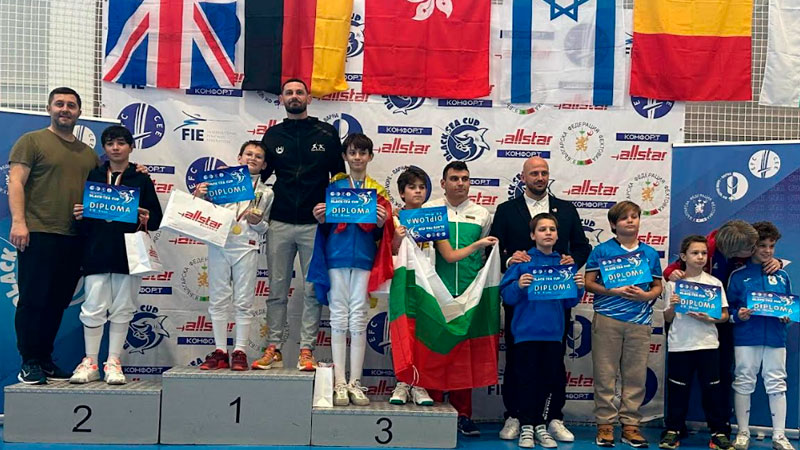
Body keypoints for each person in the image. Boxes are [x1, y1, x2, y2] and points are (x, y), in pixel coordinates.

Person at [491, 156, 591, 442]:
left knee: (554, 365)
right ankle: (516, 415)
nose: (539, 177)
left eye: (544, 172)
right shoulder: (506, 210)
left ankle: (553, 417)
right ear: (523, 177)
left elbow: (582, 246)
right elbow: (494, 248)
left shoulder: (567, 209)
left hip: (555, 302)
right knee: (518, 362)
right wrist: (510, 261)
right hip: (523, 306)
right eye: (533, 173)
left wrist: (571, 262)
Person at [8, 87, 101, 384]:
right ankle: (29, 361)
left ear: (79, 112)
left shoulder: (88, 155)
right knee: (33, 300)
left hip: (74, 238)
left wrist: (137, 171)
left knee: (57, 302)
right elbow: (16, 182)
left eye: (71, 105)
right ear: (49, 108)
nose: (65, 109)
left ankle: (45, 359)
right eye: (59, 104)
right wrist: (19, 222)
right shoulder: (31, 141)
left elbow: (104, 191)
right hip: (38, 232)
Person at [256, 78, 345, 371]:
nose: (294, 96)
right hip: (279, 221)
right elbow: (258, 176)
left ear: (309, 97)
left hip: (314, 225)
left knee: (311, 290)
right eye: (289, 93)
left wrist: (331, 210)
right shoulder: (273, 135)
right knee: (276, 290)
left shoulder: (326, 133)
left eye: (299, 92)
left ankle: (307, 350)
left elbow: (339, 178)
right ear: (281, 99)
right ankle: (274, 348)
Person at [663, 220, 782, 437]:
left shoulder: (744, 238)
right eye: (750, 249)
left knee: (719, 377)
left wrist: (777, 261)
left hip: (720, 318)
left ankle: (720, 428)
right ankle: (675, 427)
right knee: (680, 380)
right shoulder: (705, 249)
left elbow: (762, 255)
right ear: (732, 251)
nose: (753, 250)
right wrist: (672, 273)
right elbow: (673, 270)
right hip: (685, 325)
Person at [387, 166, 494, 406]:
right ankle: (404, 382)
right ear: (443, 183)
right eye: (412, 187)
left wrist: (478, 245)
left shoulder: (436, 216)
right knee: (406, 334)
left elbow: (449, 254)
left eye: (421, 187)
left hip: (436, 288)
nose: (417, 191)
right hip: (406, 285)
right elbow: (389, 251)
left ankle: (422, 386)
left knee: (434, 342)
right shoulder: (410, 214)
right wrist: (397, 231)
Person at [69, 125, 163, 384]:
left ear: (131, 147)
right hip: (97, 251)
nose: (116, 148)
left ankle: (113, 362)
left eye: (121, 143)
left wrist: (145, 215)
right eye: (110, 143)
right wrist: (80, 215)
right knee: (93, 307)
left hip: (128, 254)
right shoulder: (95, 175)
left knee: (123, 307)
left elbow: (156, 219)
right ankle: (90, 362)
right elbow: (85, 217)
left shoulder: (140, 178)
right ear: (104, 148)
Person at [309, 133, 393, 406]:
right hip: (336, 256)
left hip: (364, 258)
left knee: (358, 317)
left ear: (370, 156)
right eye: (353, 153)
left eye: (363, 153)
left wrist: (381, 223)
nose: (357, 158)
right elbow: (325, 225)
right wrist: (320, 217)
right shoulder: (334, 187)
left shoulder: (377, 192)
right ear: (345, 156)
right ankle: (339, 383)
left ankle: (356, 383)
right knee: (338, 317)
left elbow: (383, 234)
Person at [499, 213, 585, 449]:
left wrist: (578, 288)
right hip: (525, 334)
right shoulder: (521, 263)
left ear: (557, 235)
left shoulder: (565, 265)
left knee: (548, 381)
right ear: (532, 235)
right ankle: (526, 425)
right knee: (525, 380)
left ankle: (541, 425)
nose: (548, 233)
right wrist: (518, 286)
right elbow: (506, 296)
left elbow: (569, 302)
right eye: (542, 229)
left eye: (552, 229)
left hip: (553, 334)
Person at [584, 201, 663, 448]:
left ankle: (630, 425)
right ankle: (605, 424)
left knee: (635, 375)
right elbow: (588, 283)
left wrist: (646, 296)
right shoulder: (602, 250)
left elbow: (658, 286)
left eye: (634, 217)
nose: (630, 221)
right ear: (613, 224)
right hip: (607, 319)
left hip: (639, 321)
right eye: (624, 218)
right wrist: (613, 291)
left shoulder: (650, 253)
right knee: (605, 374)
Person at [192, 141, 274, 371]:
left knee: (244, 301)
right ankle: (220, 351)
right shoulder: (220, 182)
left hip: (246, 246)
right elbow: (200, 212)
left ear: (264, 164)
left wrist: (257, 223)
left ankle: (240, 351)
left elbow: (265, 227)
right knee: (218, 299)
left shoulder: (266, 192)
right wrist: (198, 196)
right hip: (219, 244)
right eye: (248, 154)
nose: (252, 158)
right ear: (239, 158)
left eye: (258, 156)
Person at [426, 161, 494, 437]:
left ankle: (463, 414)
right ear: (443, 183)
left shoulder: (482, 214)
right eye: (454, 178)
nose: (460, 183)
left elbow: (485, 257)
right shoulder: (430, 210)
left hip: (468, 295)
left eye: (465, 178)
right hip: (434, 293)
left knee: (463, 359)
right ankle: (432, 409)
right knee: (434, 353)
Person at [659, 235, 732, 450]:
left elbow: (724, 315)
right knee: (677, 391)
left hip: (708, 344)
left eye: (703, 253)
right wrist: (673, 306)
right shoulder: (673, 284)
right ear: (683, 256)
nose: (700, 257)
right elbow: (667, 318)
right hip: (680, 344)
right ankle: (673, 430)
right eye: (695, 253)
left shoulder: (714, 283)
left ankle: (718, 432)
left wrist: (710, 318)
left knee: (712, 391)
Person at [727, 222, 795, 450]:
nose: (767, 250)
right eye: (762, 246)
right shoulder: (738, 276)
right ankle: (742, 433)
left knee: (777, 384)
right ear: (752, 247)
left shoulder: (782, 275)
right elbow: (728, 310)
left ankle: (779, 436)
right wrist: (738, 316)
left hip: (775, 338)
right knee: (743, 381)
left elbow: (788, 306)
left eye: (771, 246)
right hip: (747, 337)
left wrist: (787, 317)